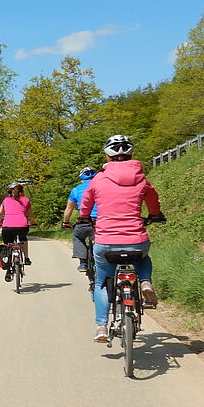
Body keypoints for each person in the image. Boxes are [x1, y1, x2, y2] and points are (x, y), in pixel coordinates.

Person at [79, 134, 165, 342]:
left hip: (105, 241)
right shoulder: (142, 179)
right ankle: (145, 282)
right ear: (131, 154)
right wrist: (155, 215)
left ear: (107, 156)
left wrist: (84, 217)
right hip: (136, 239)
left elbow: (86, 204)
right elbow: (153, 202)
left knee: (101, 282)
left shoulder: (98, 179)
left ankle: (101, 326)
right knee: (143, 258)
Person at [0, 182, 38, 281]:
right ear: (21, 192)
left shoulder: (5, 200)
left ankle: (8, 271)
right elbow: (30, 214)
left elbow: (0, 215)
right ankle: (26, 258)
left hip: (7, 227)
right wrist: (33, 222)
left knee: (7, 245)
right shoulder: (26, 200)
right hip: (22, 226)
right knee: (23, 239)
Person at [62, 167, 99, 271]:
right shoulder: (104, 186)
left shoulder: (76, 189)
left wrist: (65, 222)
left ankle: (83, 263)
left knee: (78, 236)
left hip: (85, 222)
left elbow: (69, 209)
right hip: (101, 221)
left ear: (81, 179)